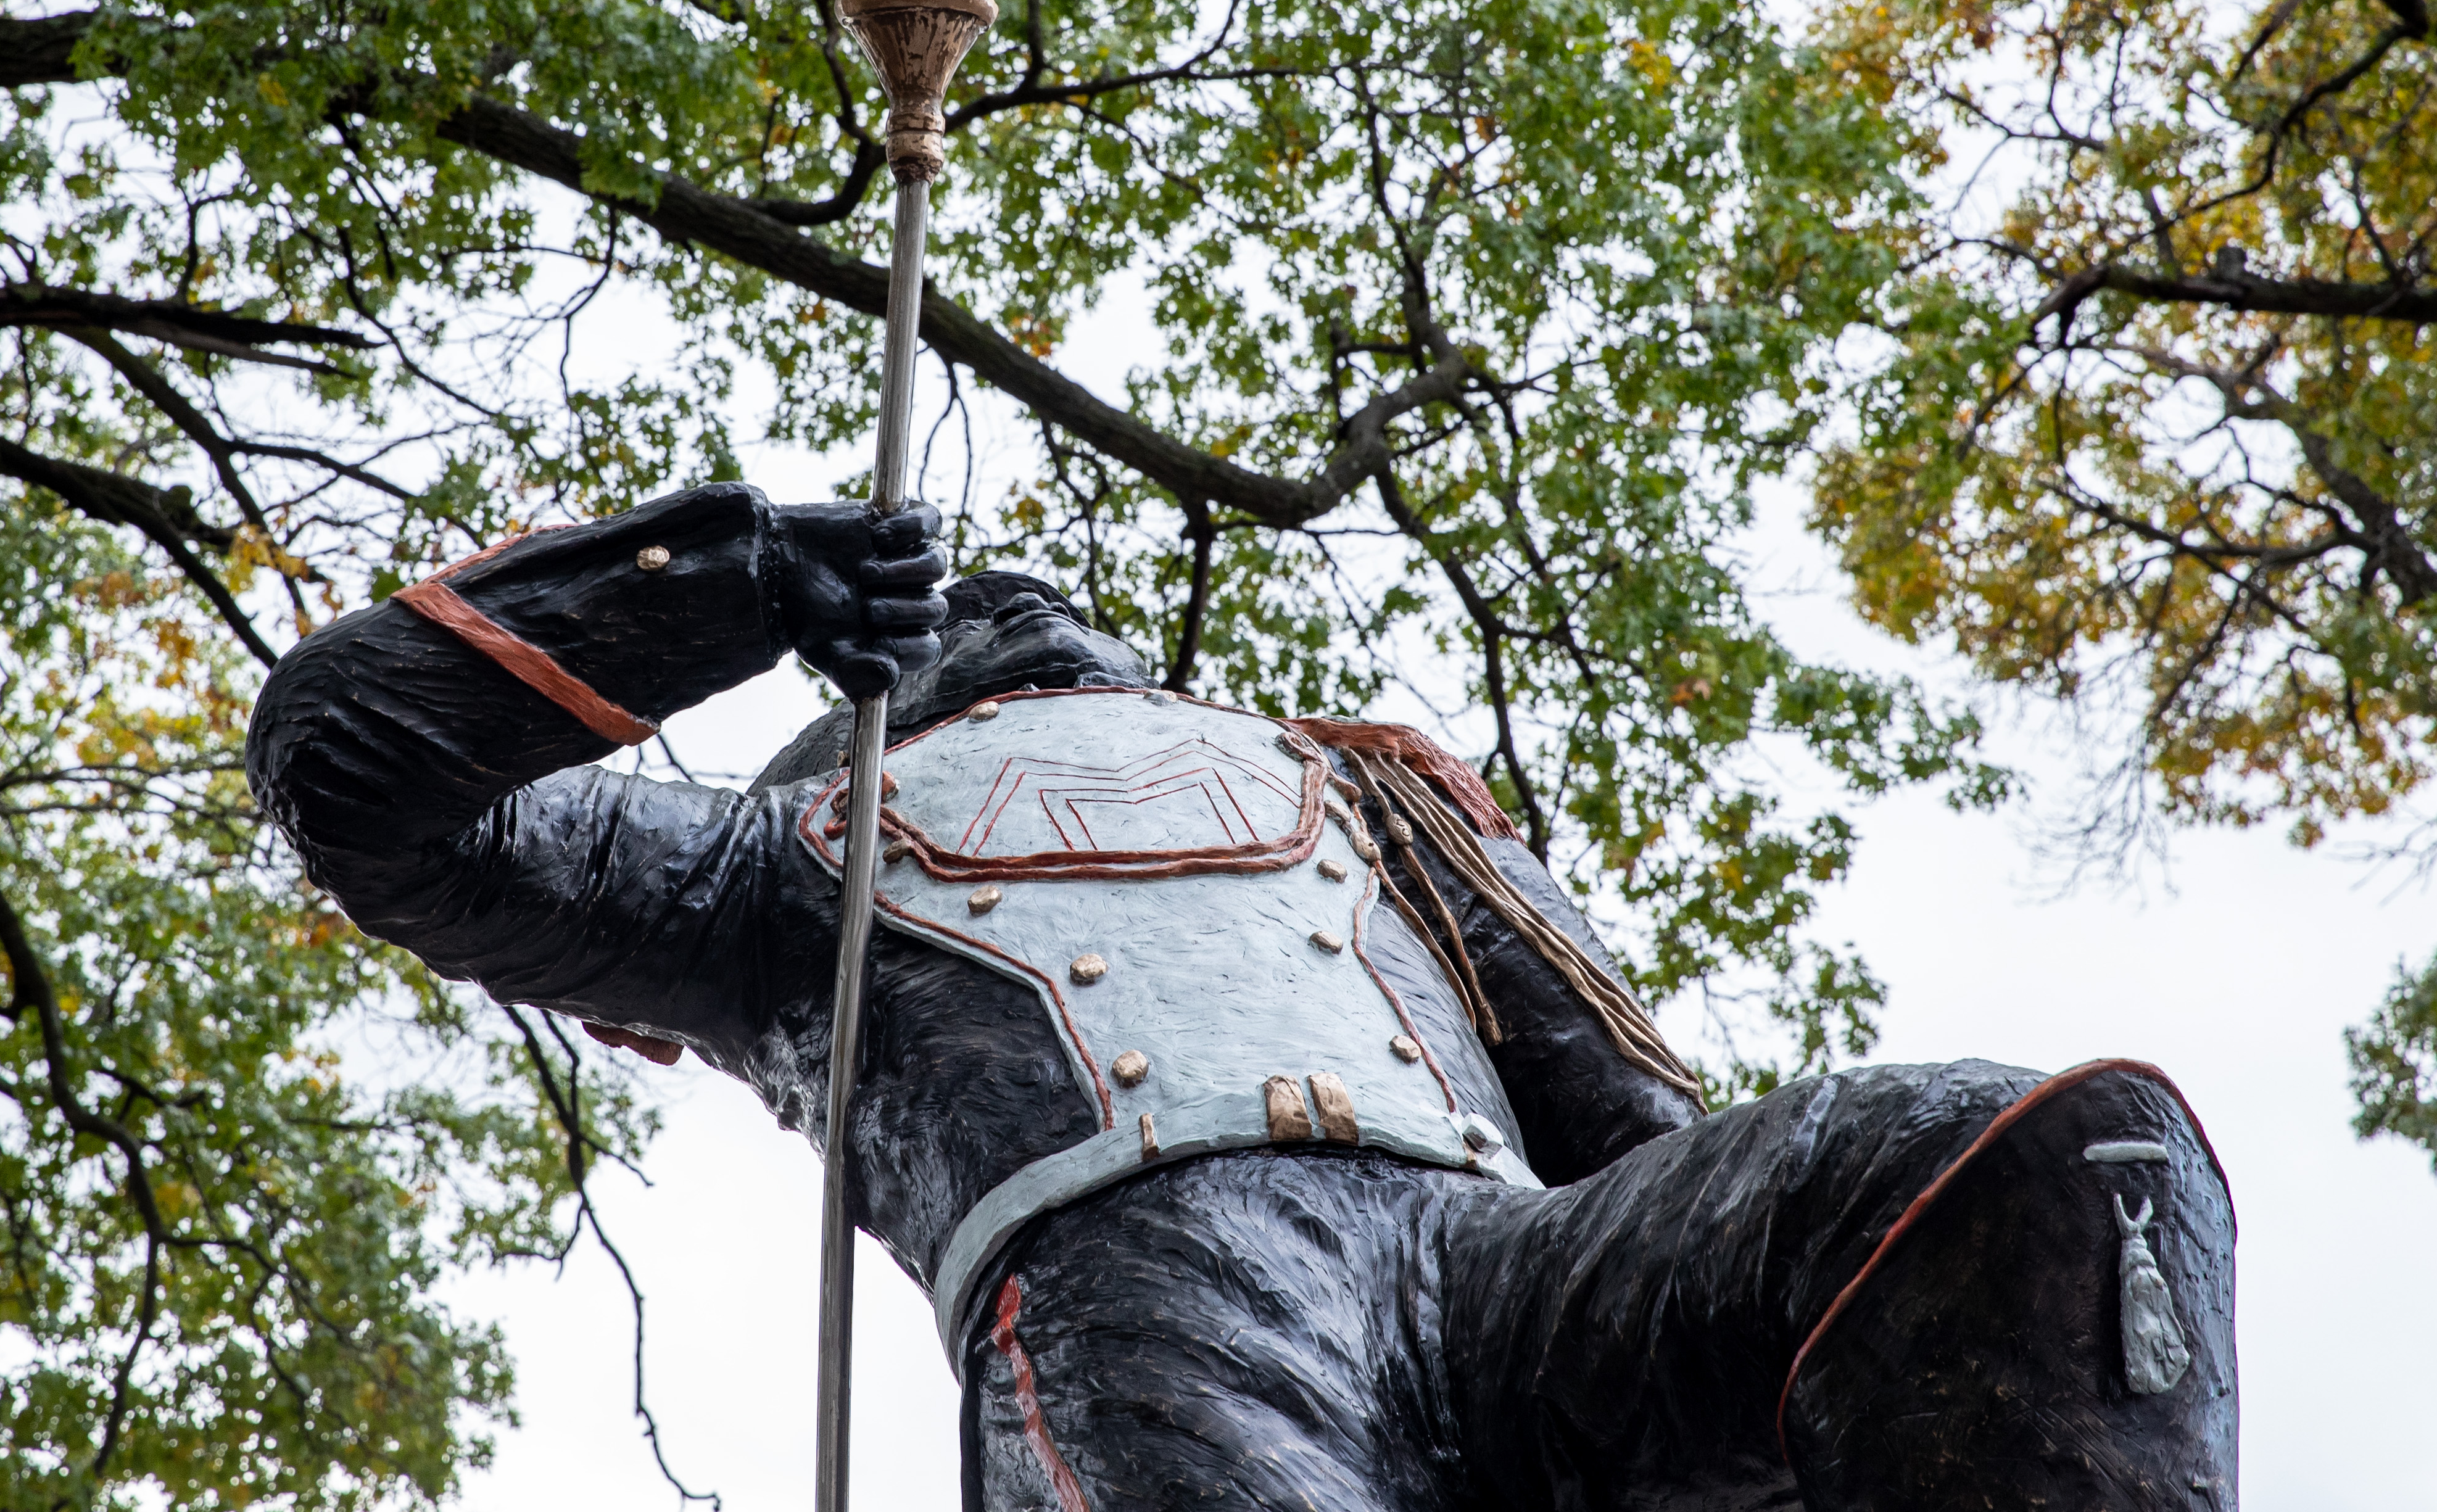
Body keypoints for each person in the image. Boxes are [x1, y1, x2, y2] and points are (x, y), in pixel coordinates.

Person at [244, 482, 2238, 1510]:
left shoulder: (1365, 797)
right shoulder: (779, 869)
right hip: (1172, 1316)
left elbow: (1655, 1146)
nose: (1020, 601)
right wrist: (729, 577)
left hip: (1511, 1274)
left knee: (2059, 1167)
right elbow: (348, 767)